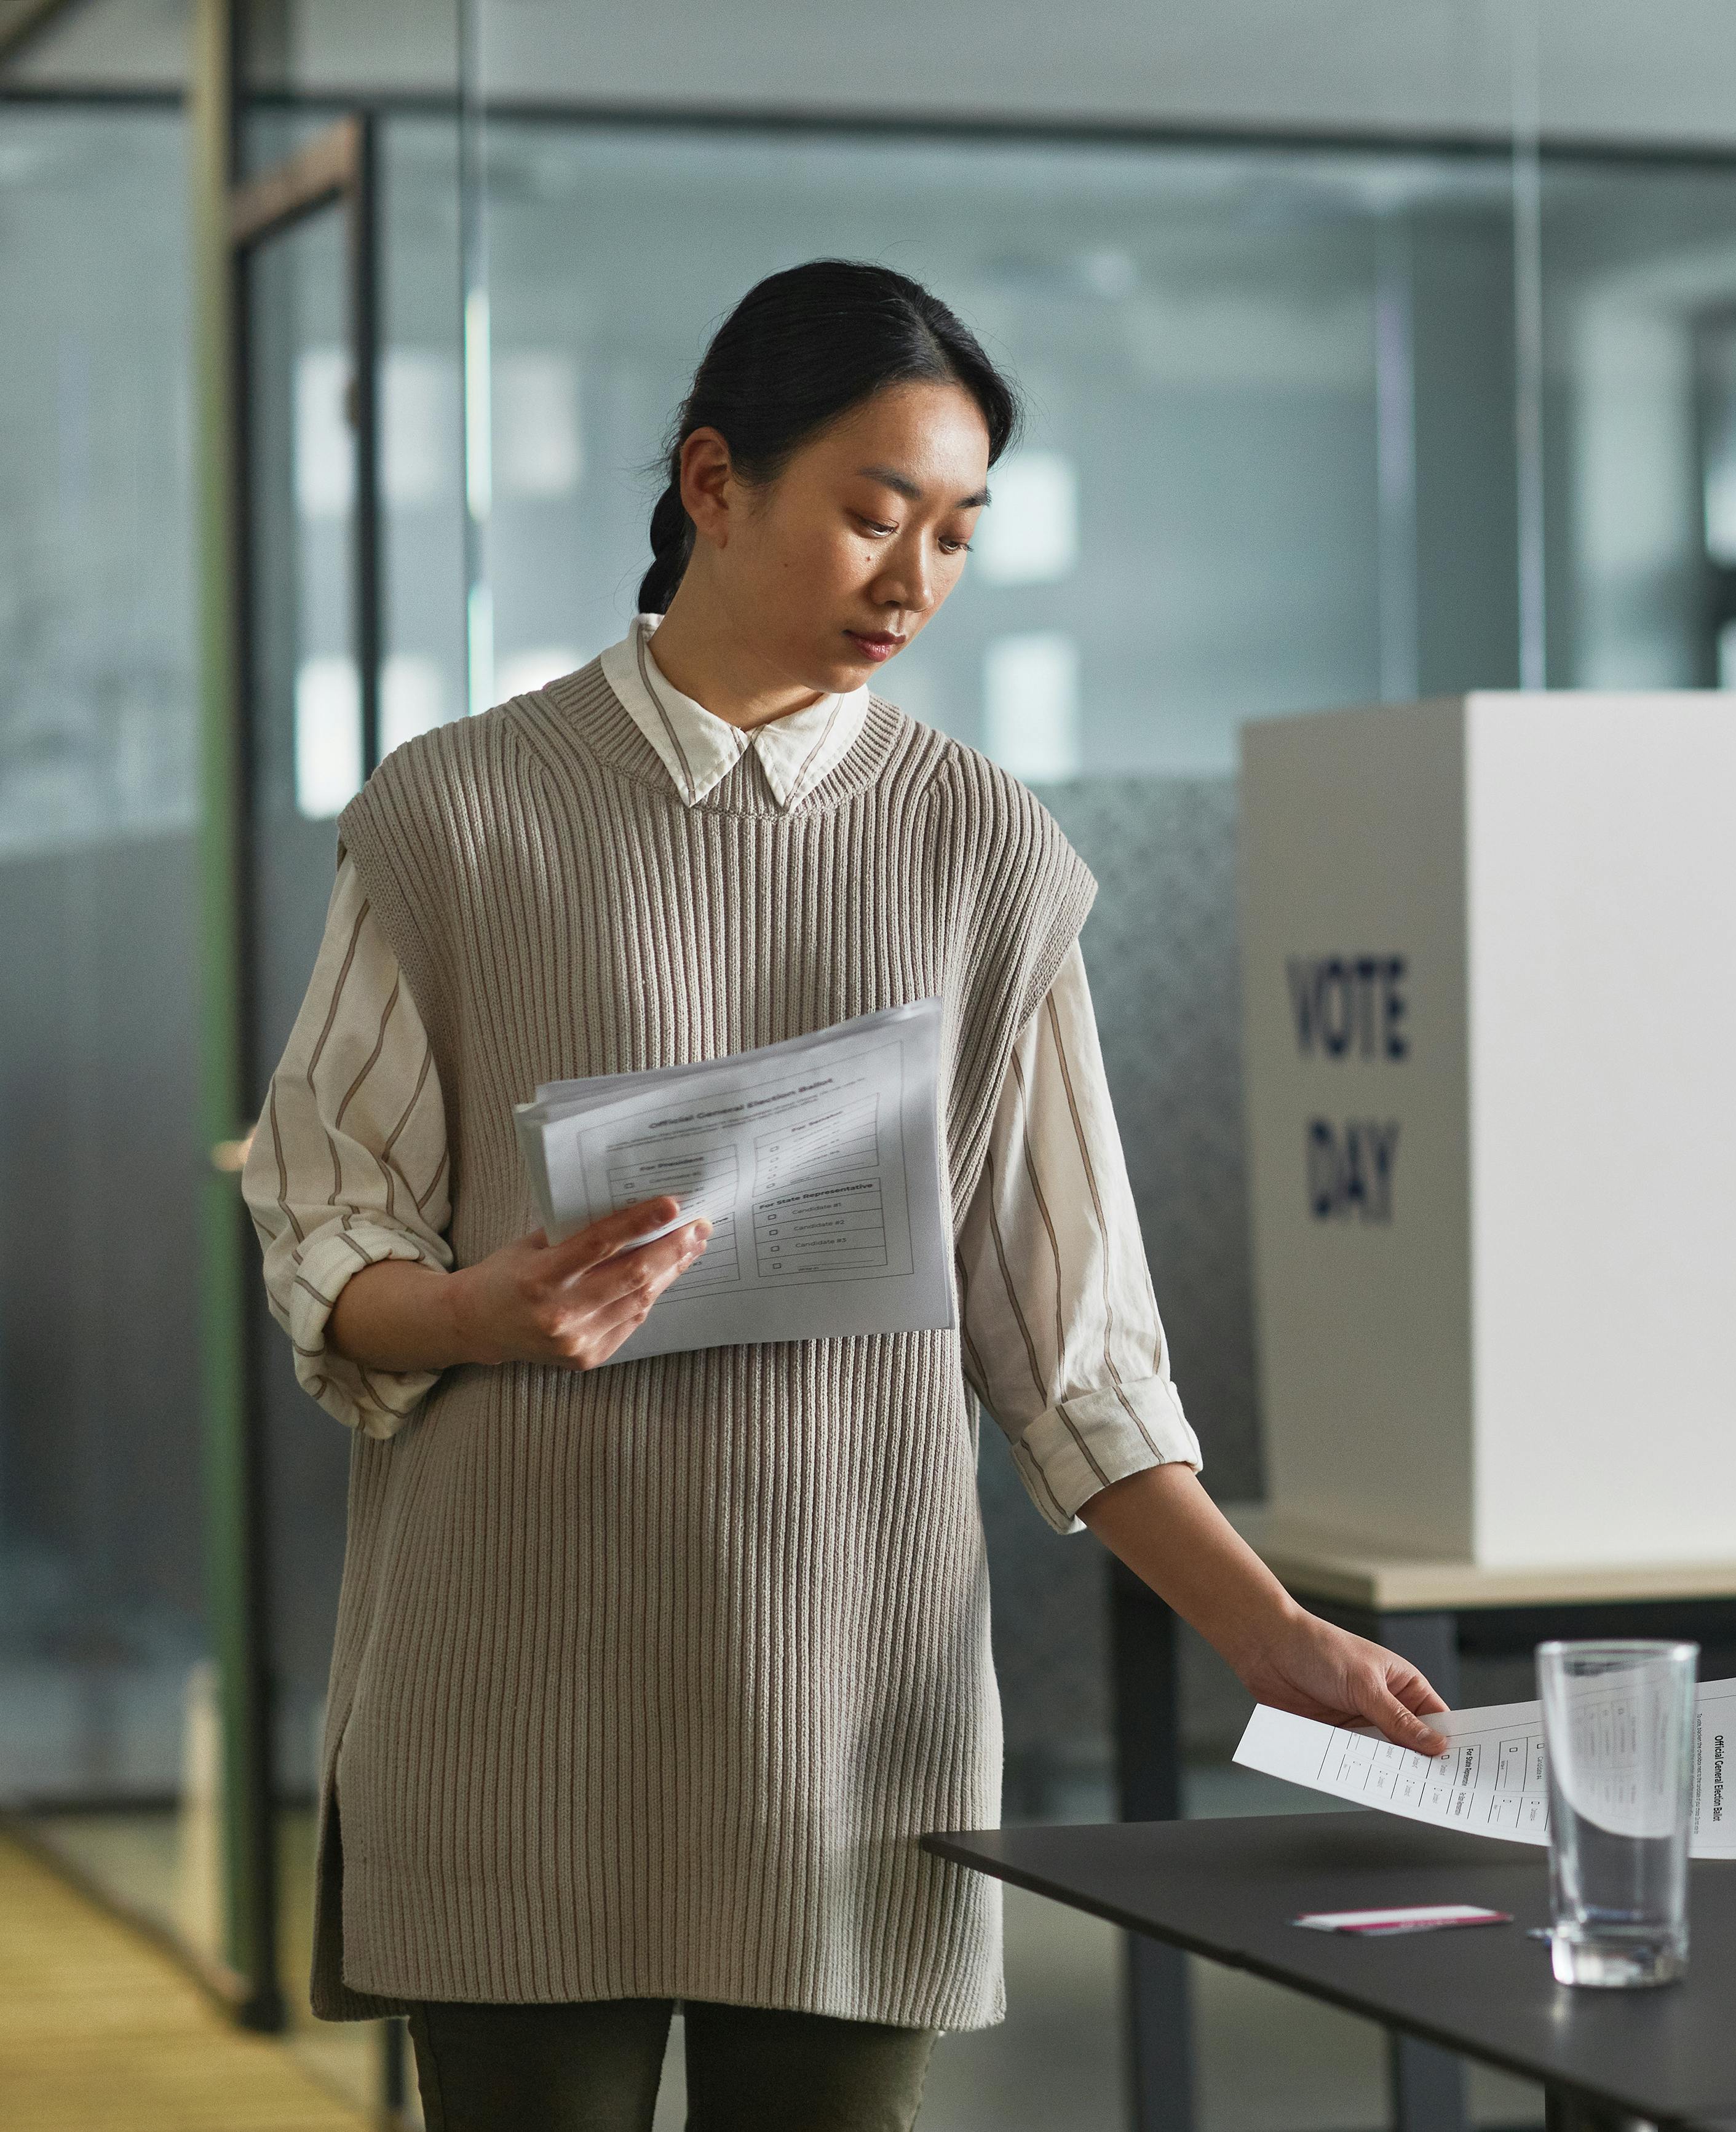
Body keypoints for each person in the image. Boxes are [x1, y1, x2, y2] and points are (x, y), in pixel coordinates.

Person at [243, 258, 1448, 2131]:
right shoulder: (455, 814)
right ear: (713, 484)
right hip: (505, 1691)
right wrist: (482, 1306)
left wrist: (1269, 1634)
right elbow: (325, 1228)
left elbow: (1073, 1344)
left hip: (840, 1708)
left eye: (961, 534)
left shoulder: (989, 854)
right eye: (875, 514)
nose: (917, 582)